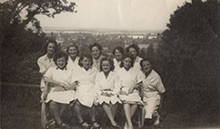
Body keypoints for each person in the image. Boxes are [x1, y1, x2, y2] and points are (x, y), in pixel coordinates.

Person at [43, 51, 77, 129]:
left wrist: (66, 88)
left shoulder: (70, 70)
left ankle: (56, 121)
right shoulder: (52, 69)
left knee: (67, 101)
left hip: (67, 91)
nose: (61, 63)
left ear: (66, 61)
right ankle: (59, 122)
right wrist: (59, 84)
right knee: (53, 103)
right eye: (59, 61)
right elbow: (45, 78)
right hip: (55, 90)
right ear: (56, 61)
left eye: (63, 61)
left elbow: (75, 82)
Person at [71, 53, 101, 129]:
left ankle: (93, 121)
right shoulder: (77, 70)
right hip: (81, 88)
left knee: (92, 99)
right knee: (77, 102)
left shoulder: (95, 70)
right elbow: (74, 82)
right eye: (85, 61)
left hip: (92, 88)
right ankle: (81, 121)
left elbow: (98, 82)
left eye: (89, 61)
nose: (87, 63)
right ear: (81, 61)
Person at [117, 54, 143, 129]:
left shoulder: (135, 71)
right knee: (126, 102)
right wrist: (119, 91)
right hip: (123, 90)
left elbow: (140, 83)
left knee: (135, 103)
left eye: (129, 62)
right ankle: (130, 124)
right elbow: (116, 83)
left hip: (134, 91)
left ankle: (127, 123)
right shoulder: (119, 71)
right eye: (126, 61)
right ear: (123, 61)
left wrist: (134, 86)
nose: (128, 63)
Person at [95, 57, 122, 129]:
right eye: (103, 65)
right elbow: (96, 87)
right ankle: (113, 122)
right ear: (101, 66)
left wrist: (113, 93)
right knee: (104, 100)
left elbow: (117, 86)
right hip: (103, 93)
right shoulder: (98, 75)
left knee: (114, 101)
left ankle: (109, 122)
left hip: (112, 93)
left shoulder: (115, 75)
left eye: (107, 65)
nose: (105, 67)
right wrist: (101, 93)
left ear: (110, 66)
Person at [139, 58, 165, 126]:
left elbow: (162, 91)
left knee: (151, 111)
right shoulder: (141, 74)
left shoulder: (156, 76)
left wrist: (161, 103)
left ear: (151, 65)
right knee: (144, 111)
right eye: (144, 65)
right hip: (144, 96)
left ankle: (157, 116)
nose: (146, 67)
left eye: (148, 65)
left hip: (154, 96)